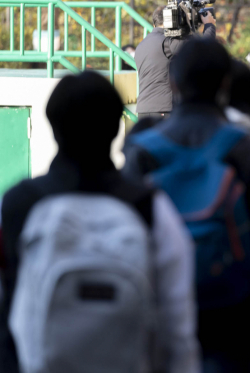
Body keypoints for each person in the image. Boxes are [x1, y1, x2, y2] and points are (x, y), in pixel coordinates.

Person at [0, 71, 200, 373]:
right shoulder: (149, 206)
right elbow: (177, 319)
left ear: (54, 126)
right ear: (114, 128)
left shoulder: (21, 203)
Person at [123, 38, 250, 372]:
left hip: (160, 303)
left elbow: (125, 229)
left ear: (173, 81)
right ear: (225, 82)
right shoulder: (248, 146)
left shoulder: (143, 151)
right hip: (235, 303)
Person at [135, 5, 216, 119]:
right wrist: (209, 25)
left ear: (154, 24)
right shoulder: (167, 42)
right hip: (164, 109)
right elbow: (204, 51)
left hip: (144, 109)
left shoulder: (141, 45)